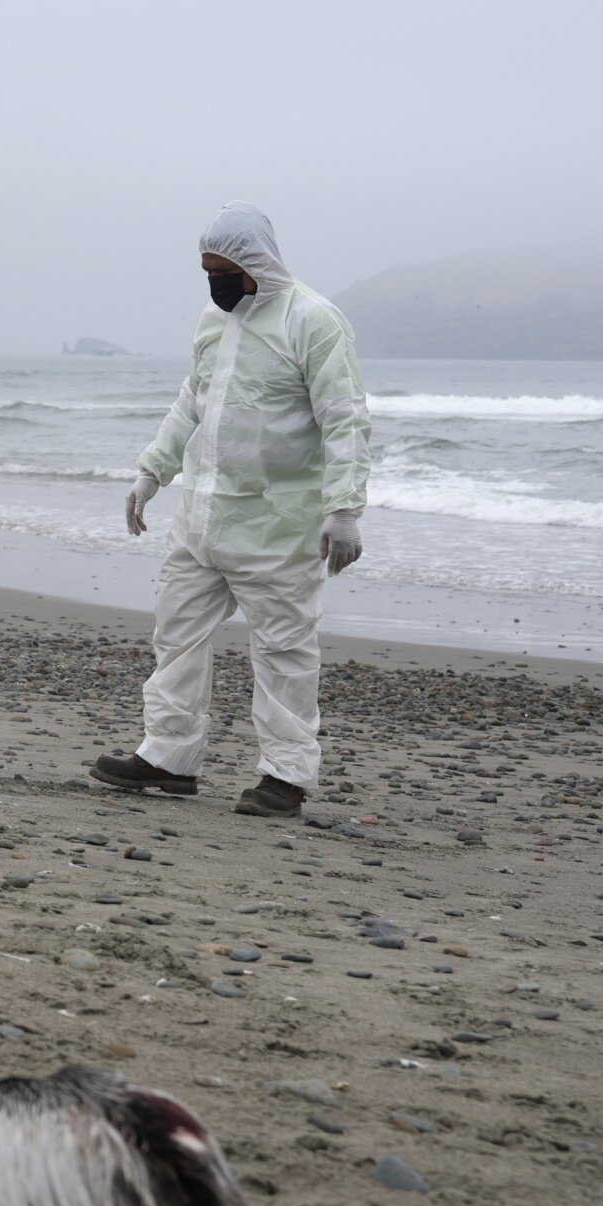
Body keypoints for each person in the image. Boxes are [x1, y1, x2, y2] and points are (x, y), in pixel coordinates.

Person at [91, 202, 372, 818]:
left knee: (283, 650)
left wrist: (345, 508)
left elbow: (344, 417)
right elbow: (191, 404)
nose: (215, 280)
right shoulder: (212, 323)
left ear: (255, 264)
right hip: (202, 518)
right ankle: (167, 756)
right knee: (177, 634)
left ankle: (286, 775)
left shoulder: (314, 323)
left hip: (277, 525)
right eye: (206, 269)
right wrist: (151, 472)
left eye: (223, 268)